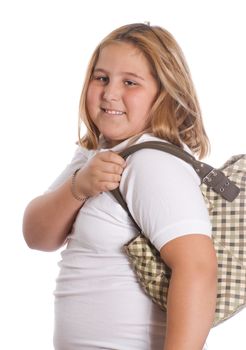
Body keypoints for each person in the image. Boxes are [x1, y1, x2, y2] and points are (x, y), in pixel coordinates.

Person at [22, 23, 217, 350]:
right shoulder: (94, 155)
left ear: (164, 94)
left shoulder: (150, 163)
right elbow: (36, 236)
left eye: (130, 82)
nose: (110, 93)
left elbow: (197, 268)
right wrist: (78, 188)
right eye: (101, 78)